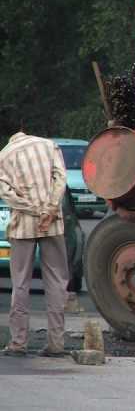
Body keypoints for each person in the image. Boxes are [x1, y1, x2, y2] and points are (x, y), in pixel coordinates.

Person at [0, 130, 68, 357]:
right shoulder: (50, 145)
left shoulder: (5, 155)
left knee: (20, 283)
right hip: (53, 224)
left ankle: (18, 343)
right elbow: (61, 179)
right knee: (57, 282)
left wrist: (34, 210)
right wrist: (49, 208)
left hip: (23, 226)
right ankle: (56, 343)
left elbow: (6, 194)